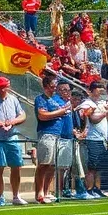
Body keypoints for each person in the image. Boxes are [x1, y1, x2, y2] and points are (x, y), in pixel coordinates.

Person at [0, 76, 27, 205]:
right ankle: (1, 196)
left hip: (12, 137)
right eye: (0, 88)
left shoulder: (13, 99)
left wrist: (13, 121)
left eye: (4, 87)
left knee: (16, 166)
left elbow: (22, 115)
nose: (2, 90)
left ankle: (16, 195)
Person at [34, 74, 71, 204]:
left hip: (58, 135)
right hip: (47, 133)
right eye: (52, 86)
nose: (54, 88)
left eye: (55, 86)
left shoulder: (56, 100)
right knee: (44, 164)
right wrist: (60, 112)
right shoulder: (41, 99)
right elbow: (42, 115)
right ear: (46, 86)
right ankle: (39, 193)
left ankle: (46, 191)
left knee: (52, 165)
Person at [78, 81, 108, 197]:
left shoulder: (102, 103)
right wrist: (104, 113)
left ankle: (97, 188)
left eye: (101, 89)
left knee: (99, 167)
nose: (100, 91)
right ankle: (89, 189)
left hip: (103, 139)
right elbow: (93, 119)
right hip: (93, 139)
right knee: (92, 167)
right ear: (91, 91)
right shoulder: (87, 103)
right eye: (98, 89)